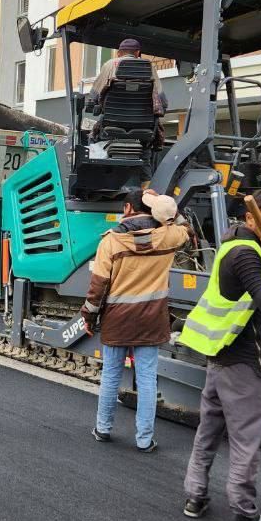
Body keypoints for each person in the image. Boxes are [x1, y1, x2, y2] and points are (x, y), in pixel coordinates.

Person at [179, 188, 261, 521]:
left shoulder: (232, 244)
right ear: (252, 217)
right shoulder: (247, 254)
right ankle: (245, 513)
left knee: (209, 432)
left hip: (220, 355)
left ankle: (195, 496)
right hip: (244, 361)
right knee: (246, 440)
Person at [82, 189, 190, 451]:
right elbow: (183, 225)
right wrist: (161, 204)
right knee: (146, 379)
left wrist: (88, 316)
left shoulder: (111, 242)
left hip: (118, 319)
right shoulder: (169, 236)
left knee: (110, 376)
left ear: (128, 209)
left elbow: (98, 287)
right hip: (151, 319)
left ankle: (103, 429)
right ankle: (144, 439)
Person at [90, 38, 168, 117]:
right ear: (137, 53)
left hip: (112, 118)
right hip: (142, 119)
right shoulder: (148, 66)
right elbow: (160, 96)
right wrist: (163, 107)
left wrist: (93, 104)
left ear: (118, 53)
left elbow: (95, 94)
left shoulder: (109, 64)